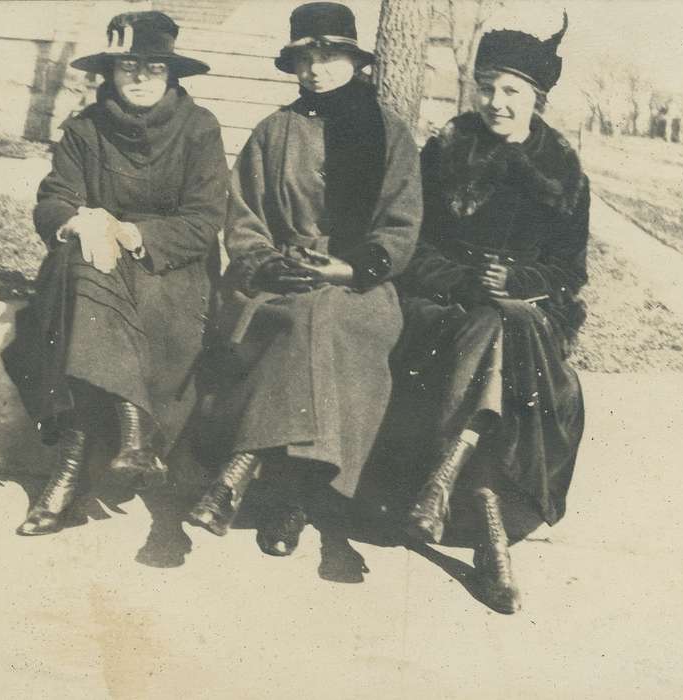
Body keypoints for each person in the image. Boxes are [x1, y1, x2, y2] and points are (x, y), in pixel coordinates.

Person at [185, 2, 421, 582]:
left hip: (359, 287)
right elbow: (242, 217)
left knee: (325, 319)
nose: (316, 69)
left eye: (330, 55)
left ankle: (243, 472)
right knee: (299, 318)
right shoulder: (273, 131)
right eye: (305, 57)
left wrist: (348, 269)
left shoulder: (388, 133)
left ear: (354, 61)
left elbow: (402, 225)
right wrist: (266, 263)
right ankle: (292, 500)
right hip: (281, 279)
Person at [2, 11, 228, 553]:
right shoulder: (85, 128)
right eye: (130, 66)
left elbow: (204, 220)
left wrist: (133, 233)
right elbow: (54, 198)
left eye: (155, 67)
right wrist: (78, 221)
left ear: (172, 75)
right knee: (82, 272)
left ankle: (71, 466)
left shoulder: (200, 129)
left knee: (94, 293)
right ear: (111, 72)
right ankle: (132, 433)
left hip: (168, 267)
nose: (142, 78)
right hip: (94, 262)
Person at [394, 14, 588, 613]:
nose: (496, 103)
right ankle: (492, 540)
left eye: (511, 91)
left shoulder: (562, 170)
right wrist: (465, 280)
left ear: (538, 98)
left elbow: (568, 271)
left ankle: (445, 480)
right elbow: (414, 247)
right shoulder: (448, 149)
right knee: (493, 325)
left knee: (507, 323)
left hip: (527, 310)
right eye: (487, 87)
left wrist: (519, 280)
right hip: (446, 305)